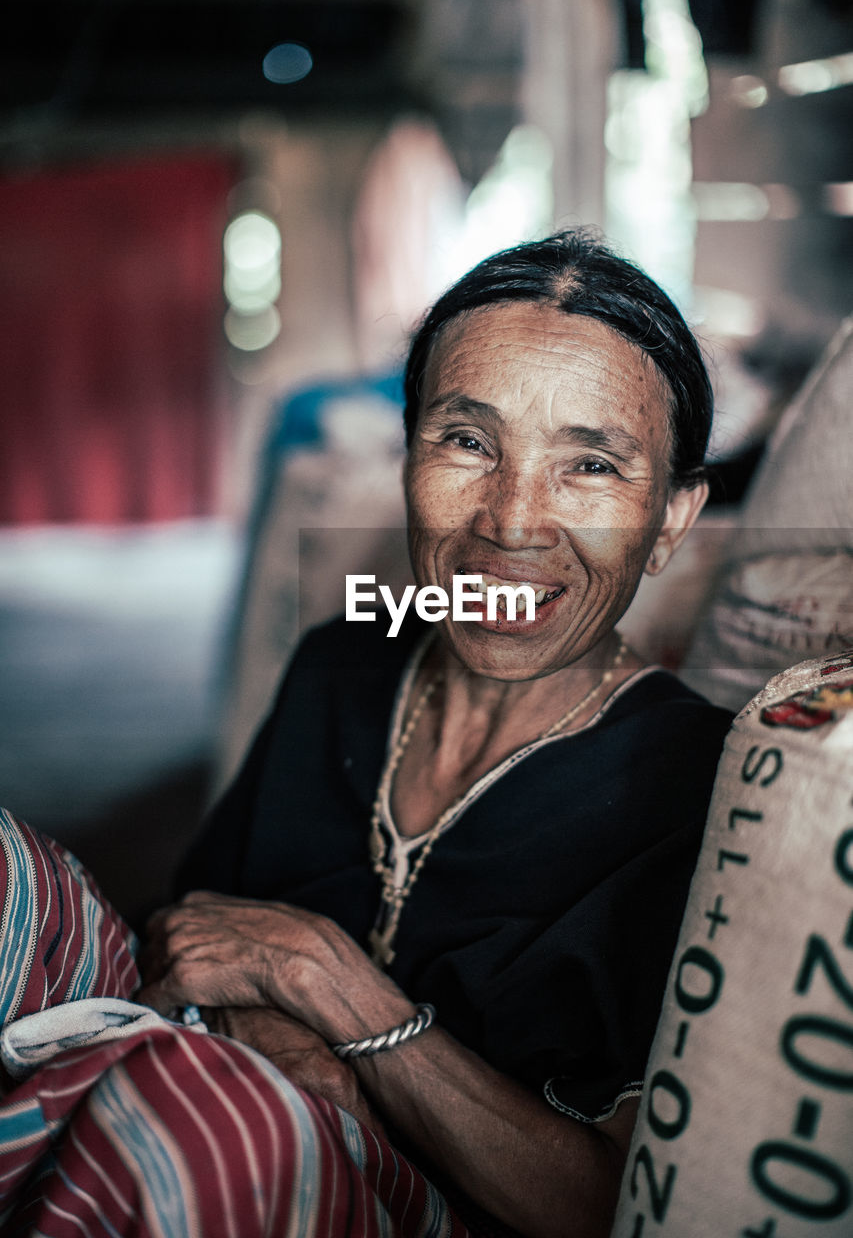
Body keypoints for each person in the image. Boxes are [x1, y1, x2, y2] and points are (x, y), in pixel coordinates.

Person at [134, 229, 733, 1238]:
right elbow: (182, 930)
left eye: (589, 464)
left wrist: (328, 987)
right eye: (465, 440)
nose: (509, 522)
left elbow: (621, 1204)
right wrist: (282, 1045)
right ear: (406, 452)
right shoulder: (341, 665)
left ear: (671, 520)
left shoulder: (696, 789)